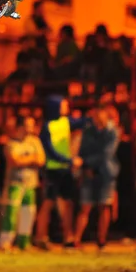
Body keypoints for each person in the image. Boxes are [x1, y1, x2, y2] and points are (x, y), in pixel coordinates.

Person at [35, 95, 84, 250]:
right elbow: (49, 150)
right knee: (48, 203)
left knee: (67, 203)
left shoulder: (66, 122)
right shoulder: (47, 127)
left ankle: (67, 237)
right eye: (63, 105)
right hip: (52, 169)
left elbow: (82, 122)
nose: (66, 107)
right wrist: (69, 160)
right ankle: (41, 237)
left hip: (65, 170)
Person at [74, 106, 119, 250]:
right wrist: (85, 167)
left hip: (105, 173)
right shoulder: (88, 131)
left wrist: (87, 162)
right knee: (85, 206)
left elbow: (107, 154)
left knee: (104, 206)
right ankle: (76, 240)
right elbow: (82, 150)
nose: (97, 118)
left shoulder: (113, 132)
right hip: (89, 173)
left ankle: (101, 240)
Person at [0, 115, 46, 251]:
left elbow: (41, 160)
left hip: (31, 184)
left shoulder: (35, 141)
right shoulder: (11, 143)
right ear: (20, 127)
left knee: (28, 213)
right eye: (28, 125)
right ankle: (5, 243)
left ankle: (24, 243)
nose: (31, 129)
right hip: (15, 184)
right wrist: (32, 158)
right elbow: (14, 161)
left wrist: (24, 159)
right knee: (11, 213)